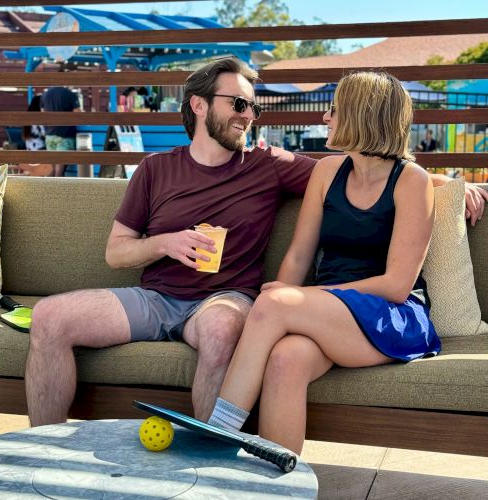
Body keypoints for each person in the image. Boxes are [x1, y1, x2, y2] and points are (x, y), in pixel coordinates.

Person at [26, 59, 487, 428]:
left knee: (239, 320)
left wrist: (450, 187)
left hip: (269, 302)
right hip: (160, 296)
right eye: (239, 104)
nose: (249, 116)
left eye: (253, 108)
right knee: (49, 316)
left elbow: (387, 182)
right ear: (200, 105)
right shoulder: (155, 168)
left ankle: (218, 437)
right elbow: (118, 252)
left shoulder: (270, 163)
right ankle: (42, 453)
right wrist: (165, 243)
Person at [207, 71, 443, 454]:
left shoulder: (411, 181)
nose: (325, 118)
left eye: (333, 110)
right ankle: (280, 486)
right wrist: (288, 301)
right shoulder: (327, 171)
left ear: (360, 115)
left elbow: (398, 284)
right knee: (286, 359)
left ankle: (218, 434)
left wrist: (298, 300)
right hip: (329, 312)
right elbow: (299, 255)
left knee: (273, 302)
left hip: (391, 315)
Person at [40, 86, 81, 176]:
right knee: (59, 171)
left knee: (52, 169)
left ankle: (48, 189)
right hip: (65, 135)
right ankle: (57, 189)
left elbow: (43, 113)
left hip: (49, 135)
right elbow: (78, 114)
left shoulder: (45, 95)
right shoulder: (70, 94)